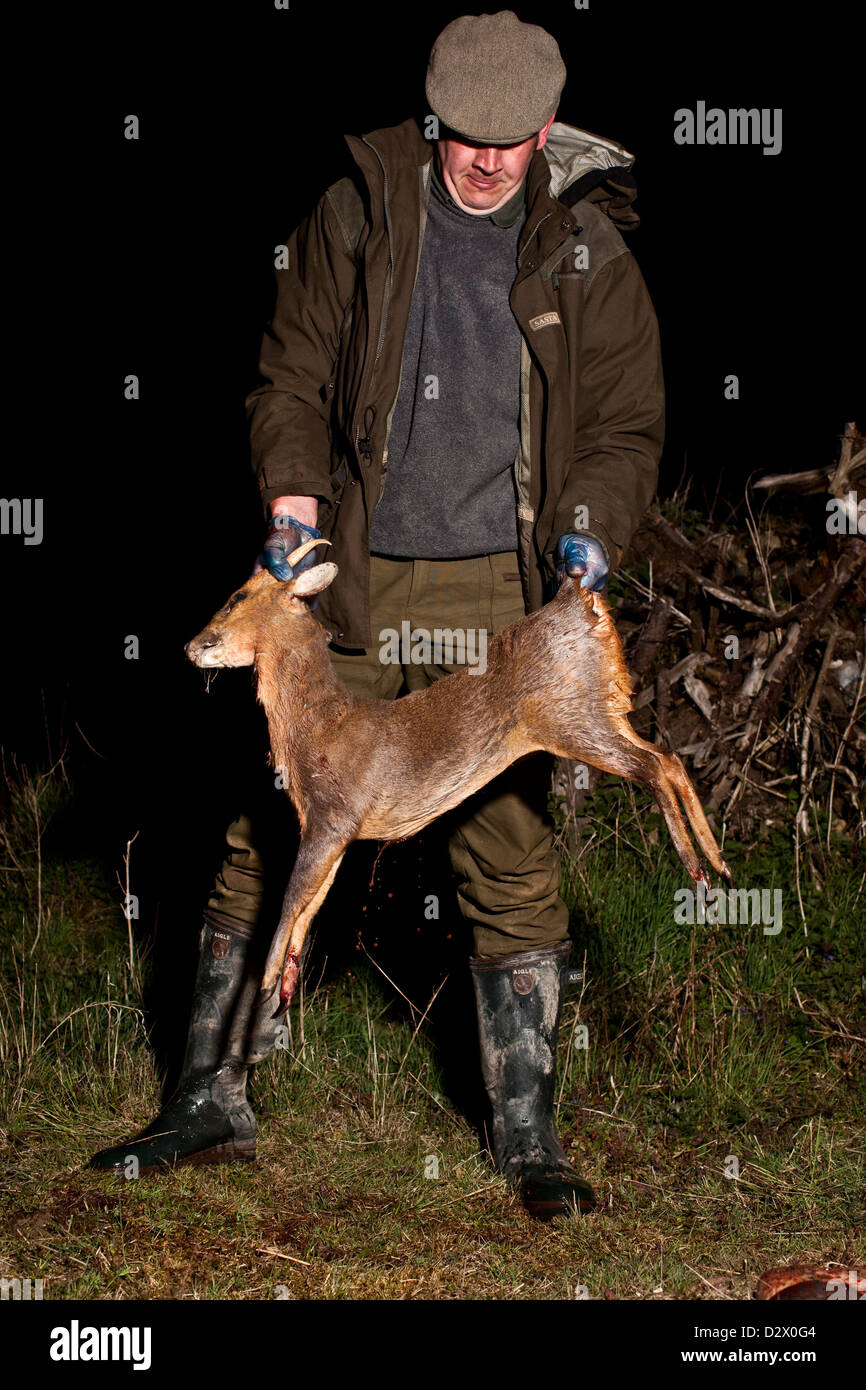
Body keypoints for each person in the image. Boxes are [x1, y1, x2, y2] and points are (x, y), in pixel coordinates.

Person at [91, 10, 664, 1221]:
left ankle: (527, 1134)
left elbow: (623, 427)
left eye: (515, 140)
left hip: (494, 586)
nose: (490, 160)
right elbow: (287, 372)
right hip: (346, 563)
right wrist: (291, 488)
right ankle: (210, 1095)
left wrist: (593, 525)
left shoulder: (589, 254)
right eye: (468, 136)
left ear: (546, 129)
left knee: (503, 843)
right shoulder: (358, 209)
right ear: (433, 116)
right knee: (275, 821)